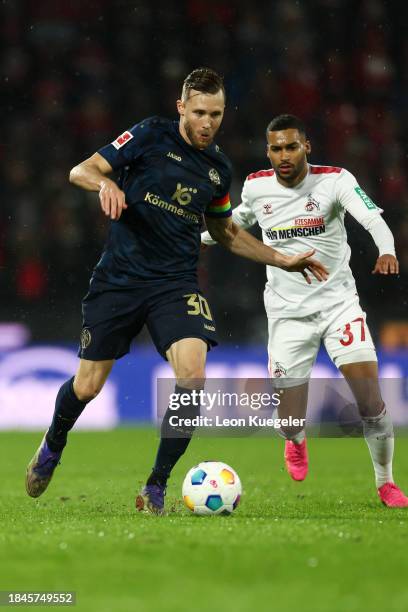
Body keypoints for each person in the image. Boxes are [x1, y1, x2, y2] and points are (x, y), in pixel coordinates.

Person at [25, 72, 328, 514]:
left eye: (217, 114)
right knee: (88, 386)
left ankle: (155, 486)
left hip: (175, 284)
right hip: (120, 279)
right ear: (182, 107)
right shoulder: (149, 135)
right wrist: (106, 183)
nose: (208, 123)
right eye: (200, 112)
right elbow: (81, 170)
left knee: (192, 377)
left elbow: (224, 231)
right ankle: (52, 445)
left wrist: (281, 258)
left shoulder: (218, 169)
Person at [202, 113, 408, 507]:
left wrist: (387, 249)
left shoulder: (334, 180)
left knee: (370, 402)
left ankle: (386, 482)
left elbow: (370, 217)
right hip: (286, 315)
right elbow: (238, 221)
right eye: (276, 148)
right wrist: (198, 238)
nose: (284, 155)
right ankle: (295, 441)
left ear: (306, 147)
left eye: (291, 147)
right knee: (289, 418)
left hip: (338, 306)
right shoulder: (257, 186)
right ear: (268, 151)